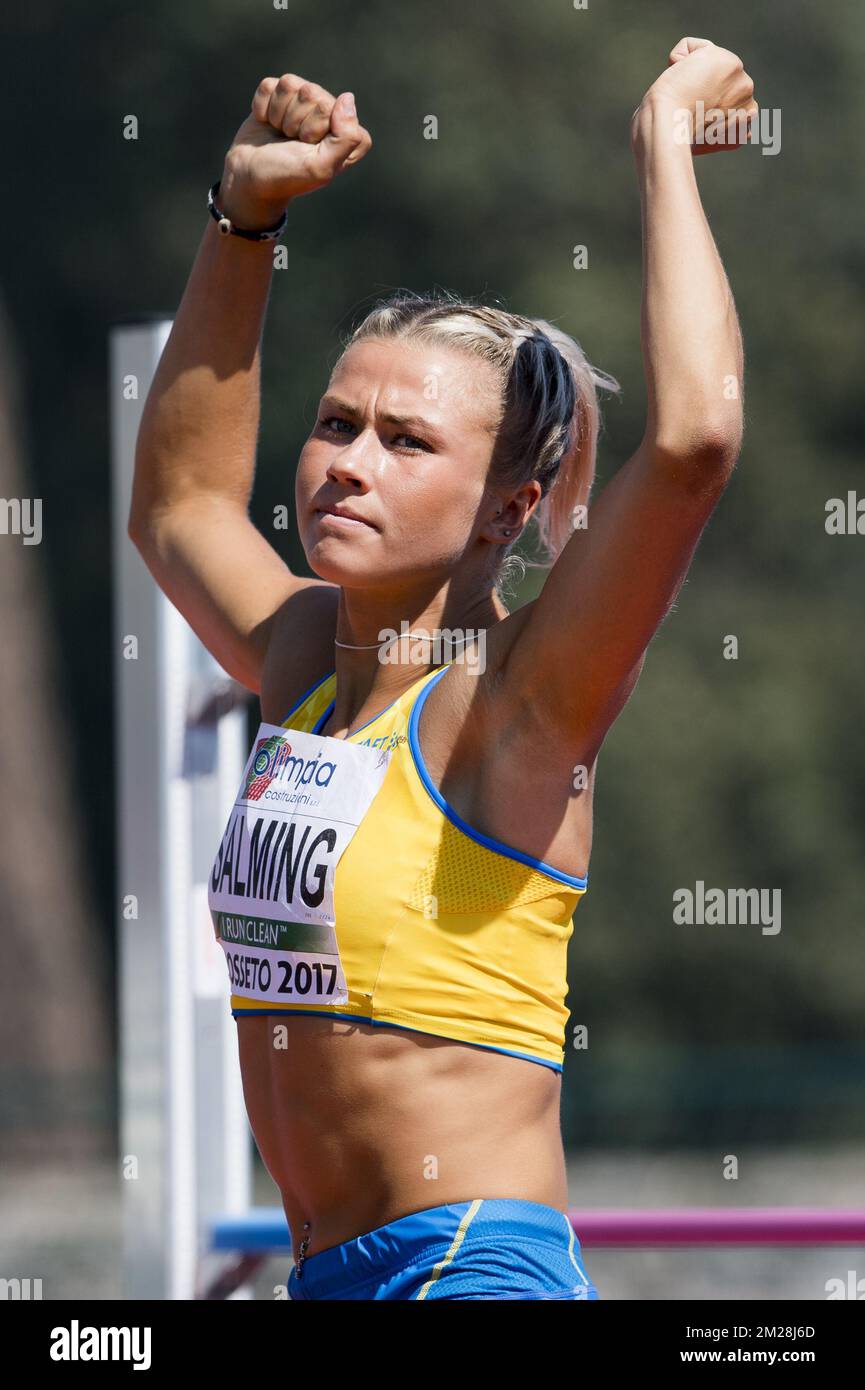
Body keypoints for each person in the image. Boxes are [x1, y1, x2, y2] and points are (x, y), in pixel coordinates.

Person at [129, 37, 755, 1300]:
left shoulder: (511, 703)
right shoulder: (304, 658)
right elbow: (182, 504)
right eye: (335, 424)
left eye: (406, 440)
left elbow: (692, 440)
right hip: (330, 1276)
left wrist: (664, 141)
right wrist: (244, 219)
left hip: (468, 1270)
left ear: (504, 510)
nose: (348, 461)